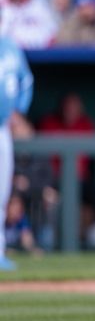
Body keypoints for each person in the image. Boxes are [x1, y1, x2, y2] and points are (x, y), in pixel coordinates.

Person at [0, 30, 34, 270]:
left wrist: (18, 110)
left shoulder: (11, 47)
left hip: (2, 128)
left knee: (1, 193)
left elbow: (27, 81)